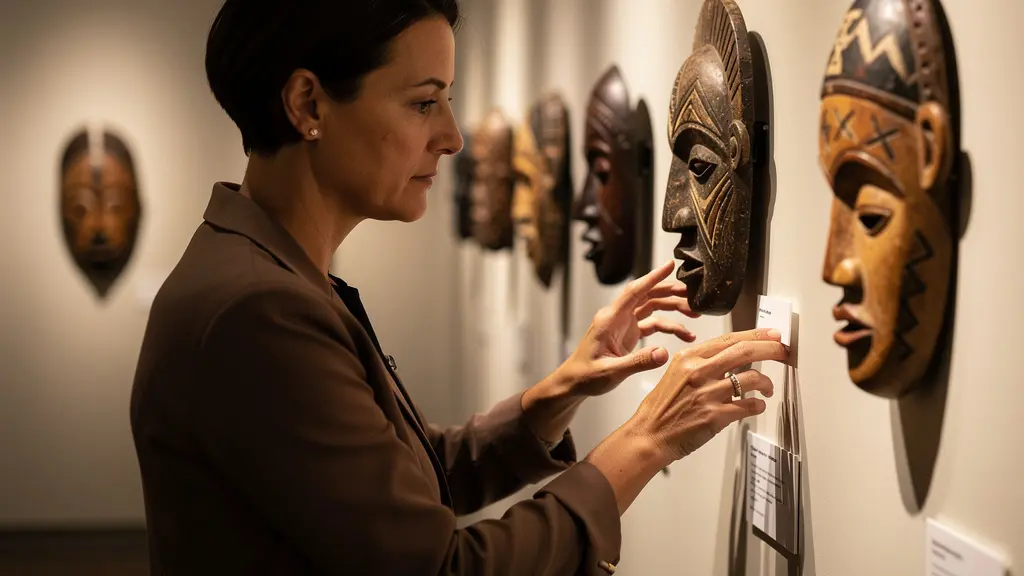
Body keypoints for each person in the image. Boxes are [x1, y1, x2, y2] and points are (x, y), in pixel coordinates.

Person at [129, 1, 788, 574]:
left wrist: (556, 394)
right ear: (308, 105)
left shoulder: (266, 276)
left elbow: (392, 489)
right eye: (423, 102)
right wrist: (643, 440)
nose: (452, 136)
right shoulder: (256, 311)